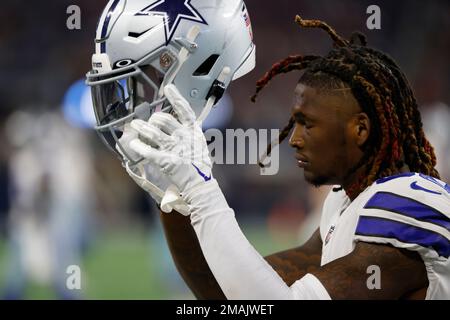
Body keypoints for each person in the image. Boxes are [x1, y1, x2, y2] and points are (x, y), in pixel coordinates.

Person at [88, 2, 450, 299]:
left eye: (309, 124)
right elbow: (227, 295)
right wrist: (176, 198)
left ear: (359, 130)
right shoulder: (345, 205)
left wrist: (201, 191)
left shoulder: (404, 208)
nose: (293, 139)